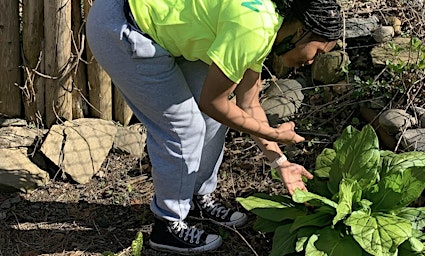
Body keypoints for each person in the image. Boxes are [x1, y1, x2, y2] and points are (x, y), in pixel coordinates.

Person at [86, 0, 342, 253]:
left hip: (159, 29)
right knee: (183, 128)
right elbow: (213, 102)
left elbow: (247, 104)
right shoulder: (254, 30)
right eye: (318, 51)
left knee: (212, 120)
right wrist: (273, 133)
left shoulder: (269, 24)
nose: (312, 62)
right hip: (123, 25)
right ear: (301, 31)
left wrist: (280, 162)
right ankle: (167, 224)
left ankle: (196, 198)